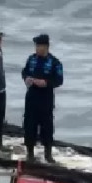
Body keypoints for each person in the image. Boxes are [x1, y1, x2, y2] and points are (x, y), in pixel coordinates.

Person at [21, 34, 63, 163]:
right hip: (32, 97)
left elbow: (59, 80)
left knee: (47, 126)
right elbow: (24, 71)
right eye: (36, 46)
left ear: (46, 47)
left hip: (46, 99)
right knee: (29, 125)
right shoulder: (31, 59)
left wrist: (46, 83)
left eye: (39, 46)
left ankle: (48, 154)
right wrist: (26, 78)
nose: (37, 48)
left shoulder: (55, 62)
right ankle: (30, 153)